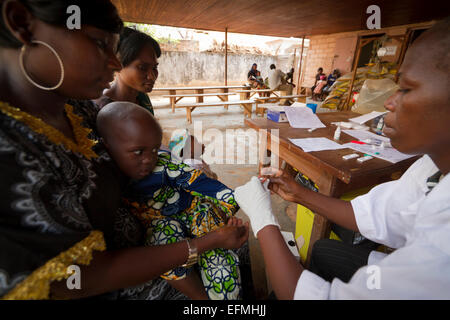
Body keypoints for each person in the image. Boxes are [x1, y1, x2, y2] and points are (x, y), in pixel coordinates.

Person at [0, 0, 248, 300]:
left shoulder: (75, 107)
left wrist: (181, 161)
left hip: (155, 233)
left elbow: (145, 151)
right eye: (99, 43)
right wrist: (204, 244)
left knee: (236, 245)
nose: (115, 64)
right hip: (127, 280)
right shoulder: (12, 147)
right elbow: (78, 278)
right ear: (22, 23)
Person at [235, 17, 450, 299]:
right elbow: (377, 215)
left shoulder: (442, 251)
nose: (389, 102)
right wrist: (298, 193)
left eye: (407, 89)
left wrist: (262, 217)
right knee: (322, 251)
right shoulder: (430, 168)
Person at [97, 102, 242, 300]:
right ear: (108, 146)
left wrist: (235, 201)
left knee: (218, 256)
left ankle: (227, 296)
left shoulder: (164, 165)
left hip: (193, 212)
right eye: (139, 151)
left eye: (155, 150)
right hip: (160, 224)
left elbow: (198, 182)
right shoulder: (107, 175)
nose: (149, 159)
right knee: (161, 241)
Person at [93, 27, 159, 115]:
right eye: (142, 68)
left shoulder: (141, 97)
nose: (152, 76)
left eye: (154, 68)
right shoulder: (103, 108)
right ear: (117, 64)